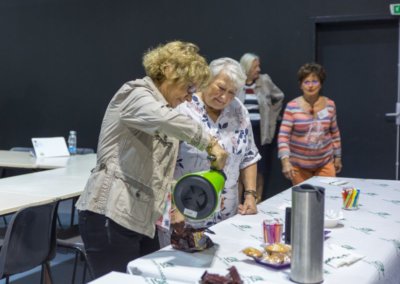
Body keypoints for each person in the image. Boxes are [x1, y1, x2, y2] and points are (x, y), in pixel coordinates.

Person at [75, 41, 228, 278]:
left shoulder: (163, 108)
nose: (189, 98)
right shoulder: (135, 94)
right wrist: (208, 142)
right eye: (188, 88)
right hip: (109, 214)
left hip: (139, 218)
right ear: (168, 71)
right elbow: (162, 119)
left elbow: (156, 170)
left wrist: (173, 207)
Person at [157, 57, 261, 246]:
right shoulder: (182, 108)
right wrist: (173, 207)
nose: (225, 98)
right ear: (206, 80)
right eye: (221, 88)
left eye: (232, 92)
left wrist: (250, 195)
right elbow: (160, 165)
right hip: (183, 213)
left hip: (225, 216)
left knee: (221, 272)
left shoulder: (239, 110)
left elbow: (249, 155)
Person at [278, 63, 342, 185]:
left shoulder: (330, 105)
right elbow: (283, 137)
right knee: (304, 201)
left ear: (321, 84)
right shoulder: (292, 107)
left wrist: (338, 157)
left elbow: (335, 133)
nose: (311, 86)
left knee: (328, 198)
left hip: (325, 163)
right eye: (306, 82)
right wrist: (285, 162)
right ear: (300, 85)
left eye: (315, 81)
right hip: (299, 166)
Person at [238, 53, 284, 202]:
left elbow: (279, 96)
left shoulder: (265, 81)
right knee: (239, 167)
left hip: (260, 131)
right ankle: (238, 202)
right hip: (241, 132)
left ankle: (257, 201)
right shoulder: (237, 82)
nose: (259, 69)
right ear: (247, 67)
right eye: (255, 66)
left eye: (258, 65)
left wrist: (272, 116)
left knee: (260, 168)